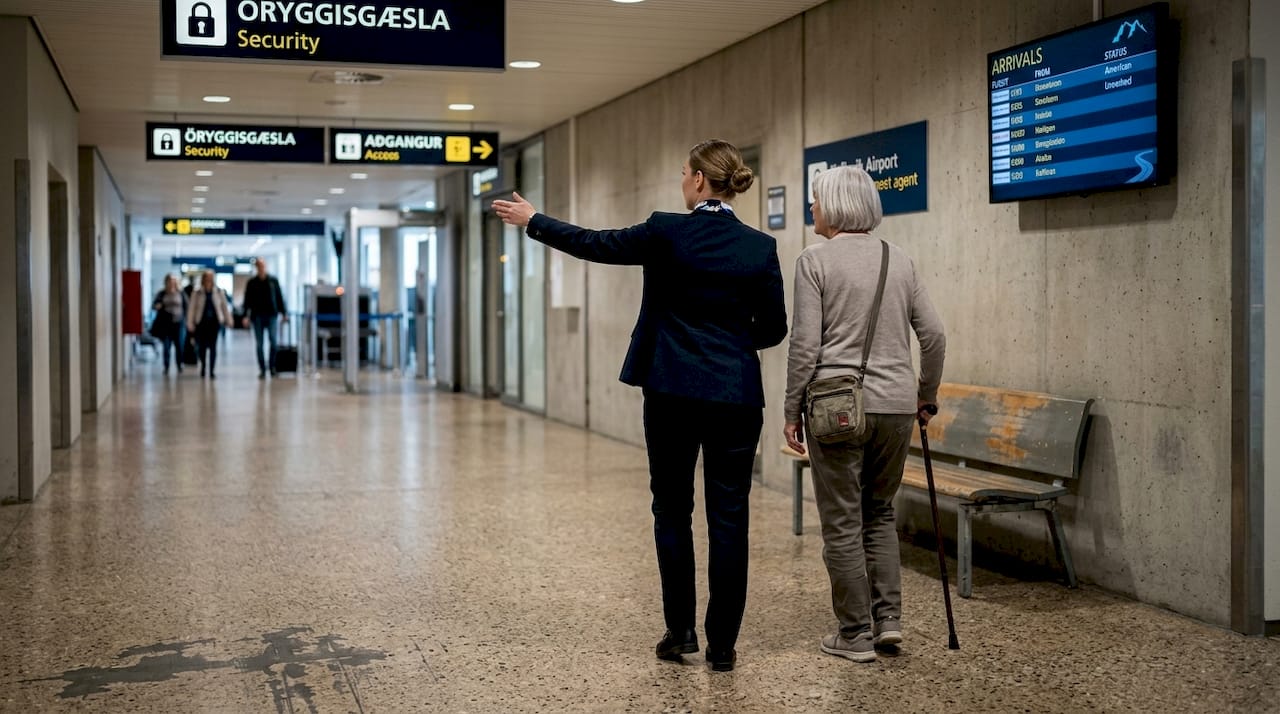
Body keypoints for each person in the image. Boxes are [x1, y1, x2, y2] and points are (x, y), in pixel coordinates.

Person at [494, 139, 788, 672]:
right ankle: (723, 644)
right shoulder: (760, 247)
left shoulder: (665, 231)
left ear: (699, 181)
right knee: (731, 517)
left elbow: (595, 243)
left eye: (683, 173)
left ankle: (680, 633)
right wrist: (728, 341)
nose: (681, 181)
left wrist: (534, 220)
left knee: (672, 510)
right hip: (736, 398)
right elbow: (772, 329)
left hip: (671, 392)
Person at [782, 165, 946, 663]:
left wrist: (792, 408)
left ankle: (854, 634)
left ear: (833, 205)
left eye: (815, 199)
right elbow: (935, 336)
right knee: (879, 513)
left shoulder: (814, 261)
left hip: (836, 408)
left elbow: (805, 346)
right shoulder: (901, 260)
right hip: (897, 407)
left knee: (841, 521)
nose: (812, 207)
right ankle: (888, 622)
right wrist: (926, 394)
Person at [242, 258, 289, 378]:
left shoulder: (273, 281)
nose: (261, 268)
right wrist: (245, 316)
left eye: (263, 266)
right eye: (259, 266)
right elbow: (247, 300)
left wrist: (284, 313)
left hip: (272, 315)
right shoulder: (252, 283)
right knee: (259, 344)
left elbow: (279, 297)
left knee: (273, 342)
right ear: (257, 268)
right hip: (257, 316)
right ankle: (262, 369)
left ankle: (272, 366)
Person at [186, 270, 232, 380]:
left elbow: (224, 307)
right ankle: (203, 366)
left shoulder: (219, 292)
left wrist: (229, 320)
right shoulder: (197, 292)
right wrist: (190, 322)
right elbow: (192, 308)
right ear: (203, 279)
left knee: (213, 347)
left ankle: (211, 370)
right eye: (207, 277)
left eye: (211, 277)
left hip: (214, 323)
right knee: (201, 347)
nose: (209, 280)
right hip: (201, 323)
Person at [150, 274, 187, 375]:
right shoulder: (162, 294)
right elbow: (154, 305)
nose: (172, 282)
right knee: (166, 346)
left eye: (173, 280)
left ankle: (179, 364)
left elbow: (186, 307)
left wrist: (187, 321)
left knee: (179, 345)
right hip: (166, 324)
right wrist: (158, 305)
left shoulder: (181, 293)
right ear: (166, 282)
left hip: (178, 323)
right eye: (170, 280)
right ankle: (166, 366)